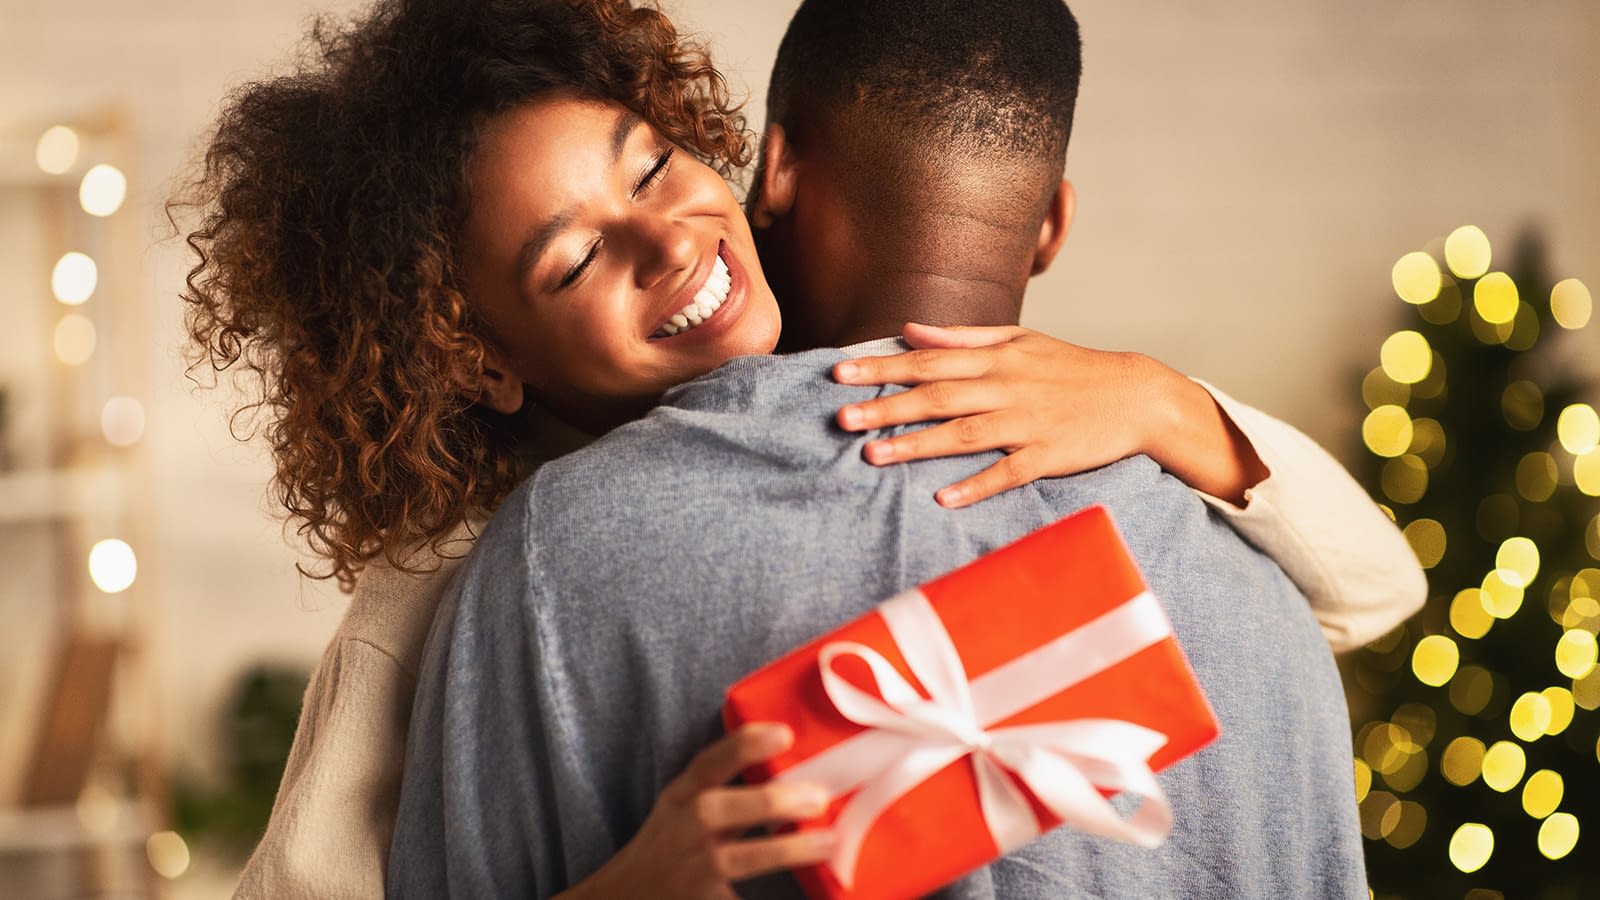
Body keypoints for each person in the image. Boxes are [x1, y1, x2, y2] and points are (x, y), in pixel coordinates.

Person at [174, 0, 1419, 896]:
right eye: (570, 258)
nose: (666, 241)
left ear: (754, 165)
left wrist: (1164, 406)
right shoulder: (464, 587)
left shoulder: (978, 418)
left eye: (653, 166)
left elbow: (1372, 584)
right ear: (472, 355)